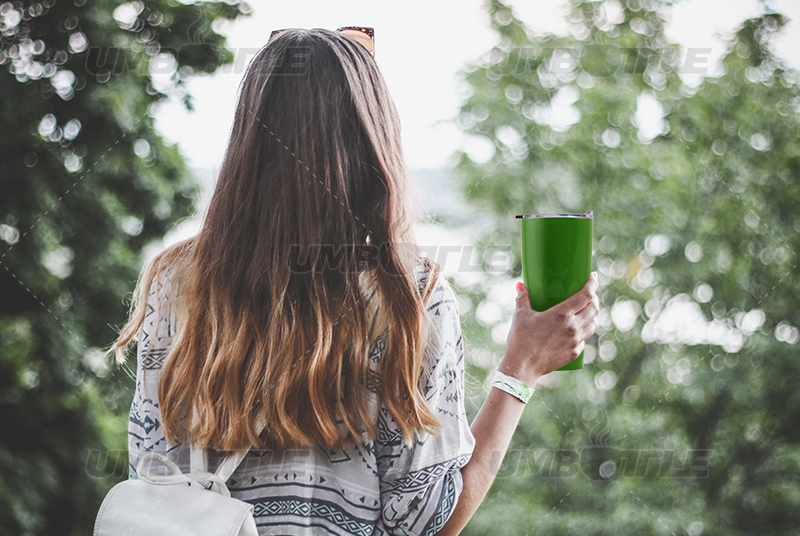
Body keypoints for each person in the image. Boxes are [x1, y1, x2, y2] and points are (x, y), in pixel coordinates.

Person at [107, 27, 599, 536]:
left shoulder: (178, 283)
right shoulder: (408, 297)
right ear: (372, 143)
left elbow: (152, 481)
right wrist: (521, 368)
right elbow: (426, 523)